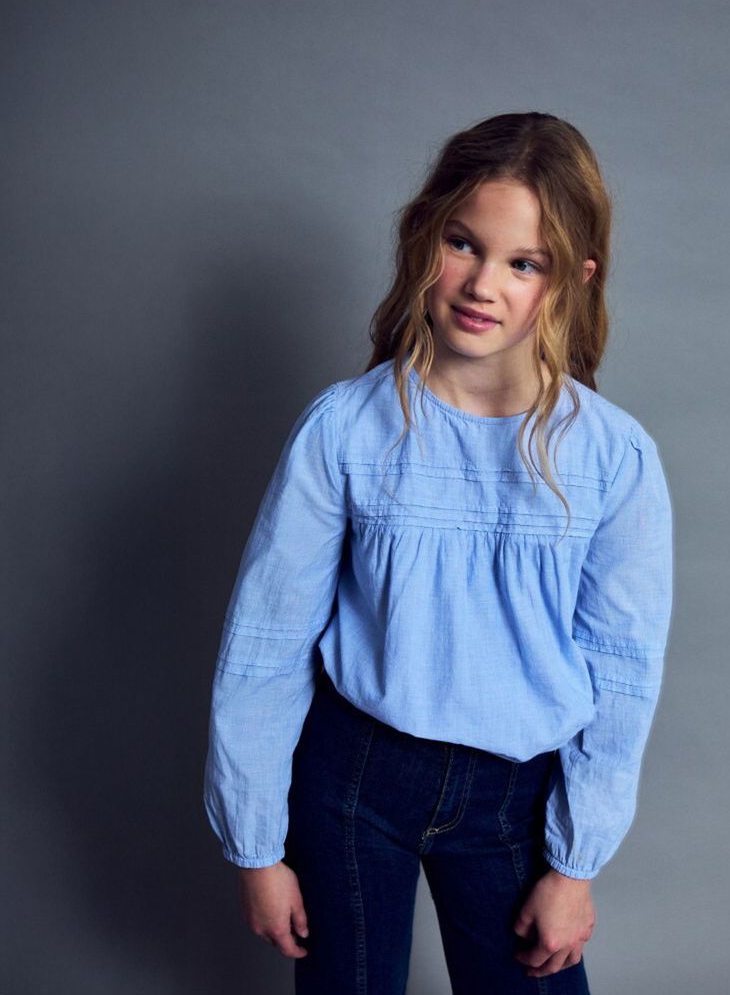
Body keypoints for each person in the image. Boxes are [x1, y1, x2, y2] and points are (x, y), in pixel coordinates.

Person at [204, 111, 674, 994]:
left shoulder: (613, 457)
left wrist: (574, 866)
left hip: (514, 803)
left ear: (573, 279)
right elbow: (267, 641)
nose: (483, 284)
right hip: (351, 784)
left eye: (524, 263)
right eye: (464, 244)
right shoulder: (345, 428)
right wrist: (256, 846)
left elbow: (622, 669)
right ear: (426, 237)